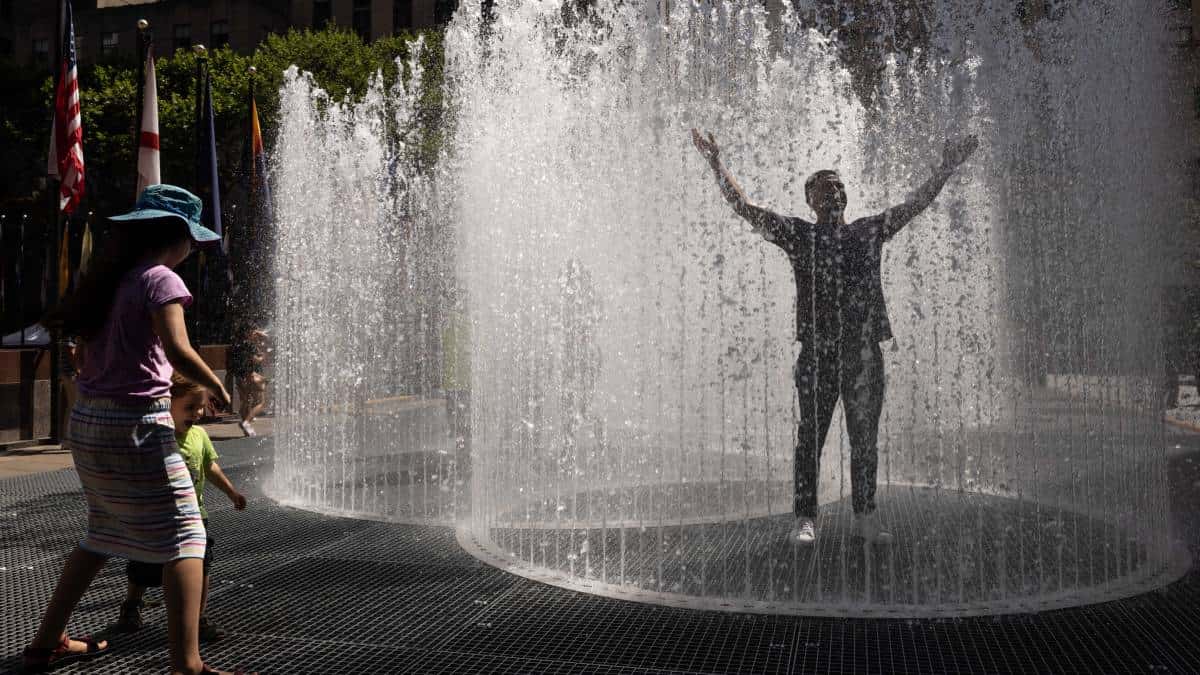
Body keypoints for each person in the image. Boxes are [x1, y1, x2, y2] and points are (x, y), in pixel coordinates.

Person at [691, 128, 979, 545]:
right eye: (825, 189)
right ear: (810, 200)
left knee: (864, 439)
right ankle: (805, 517)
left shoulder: (868, 231)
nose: (834, 193)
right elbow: (744, 206)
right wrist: (716, 163)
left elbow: (916, 204)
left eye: (840, 187)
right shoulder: (799, 235)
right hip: (817, 354)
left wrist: (947, 166)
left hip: (863, 354)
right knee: (811, 436)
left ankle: (865, 514)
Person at [26, 184, 254, 675]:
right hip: (136, 425)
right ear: (175, 236)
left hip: (89, 422)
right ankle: (187, 664)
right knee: (188, 539)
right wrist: (218, 386)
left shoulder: (107, 282)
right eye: (192, 239)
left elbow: (88, 357)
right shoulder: (161, 280)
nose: (192, 249)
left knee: (100, 533)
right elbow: (178, 351)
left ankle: (47, 641)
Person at [116, 373, 248, 642]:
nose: (198, 413)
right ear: (167, 403)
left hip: (195, 517)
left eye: (201, 406)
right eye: (190, 407)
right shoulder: (155, 435)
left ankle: (197, 618)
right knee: (144, 565)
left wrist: (231, 492)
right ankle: (131, 606)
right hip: (157, 517)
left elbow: (210, 466)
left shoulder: (199, 435)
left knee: (202, 566)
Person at [229, 324, 268, 437]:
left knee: (245, 402)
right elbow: (256, 360)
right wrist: (263, 356)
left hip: (240, 377)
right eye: (253, 331)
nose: (255, 333)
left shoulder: (236, 345)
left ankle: (247, 430)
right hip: (252, 376)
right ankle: (246, 422)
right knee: (260, 402)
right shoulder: (249, 345)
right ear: (248, 333)